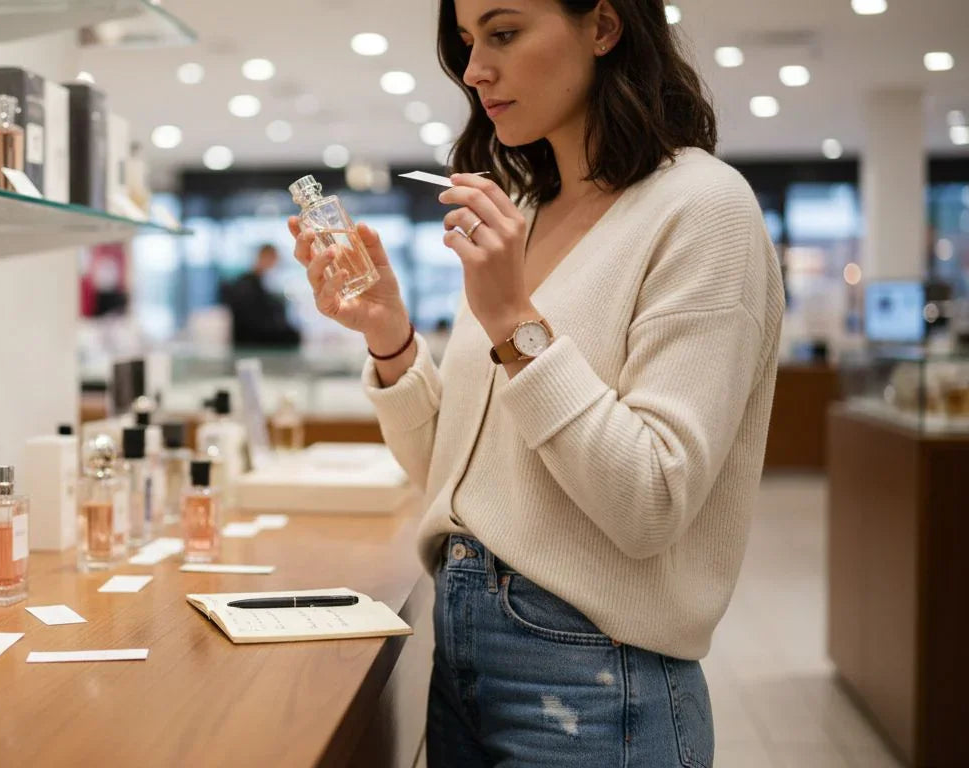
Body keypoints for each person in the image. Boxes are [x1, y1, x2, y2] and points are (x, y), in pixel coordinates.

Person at [288, 1, 784, 765]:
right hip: (461, 640)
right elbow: (454, 478)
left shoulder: (702, 206)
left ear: (604, 26)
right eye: (466, 43)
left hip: (594, 671)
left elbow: (652, 499)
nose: (475, 70)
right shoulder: (524, 208)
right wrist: (390, 338)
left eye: (504, 33)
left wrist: (515, 322)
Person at [221, 244, 301, 348]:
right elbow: (255, 323)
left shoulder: (257, 283)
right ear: (264, 258)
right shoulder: (246, 286)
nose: (274, 266)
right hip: (251, 344)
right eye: (274, 261)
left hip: (255, 341)